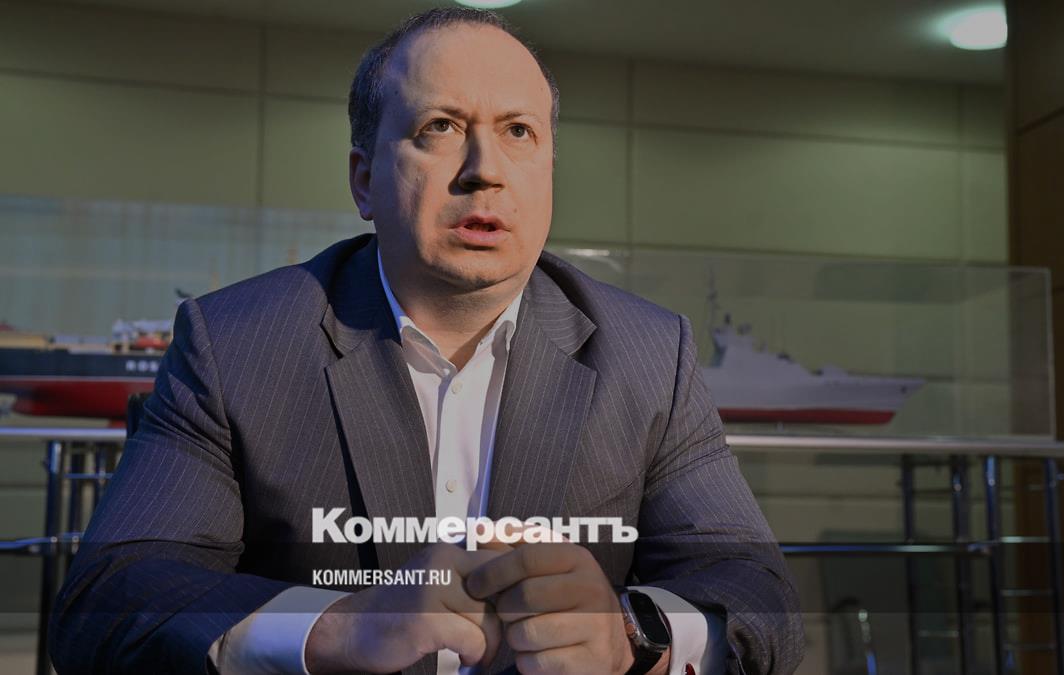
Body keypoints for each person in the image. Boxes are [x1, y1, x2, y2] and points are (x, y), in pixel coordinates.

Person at [49, 8, 803, 675]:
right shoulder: (236, 344)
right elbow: (108, 602)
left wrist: (631, 637)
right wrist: (340, 628)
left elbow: (758, 595)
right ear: (364, 181)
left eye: (519, 132)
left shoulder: (649, 352)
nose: (485, 171)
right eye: (439, 128)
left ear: (548, 170)